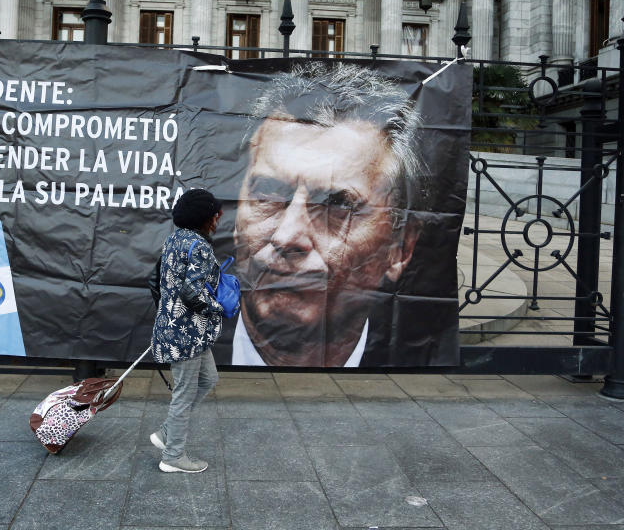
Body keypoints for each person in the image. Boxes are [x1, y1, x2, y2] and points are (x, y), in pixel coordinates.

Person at [231, 62, 423, 367]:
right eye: (268, 192)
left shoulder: (416, 363)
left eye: (338, 205)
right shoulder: (166, 341)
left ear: (400, 248)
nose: (286, 236)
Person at [150, 188, 225, 473]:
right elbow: (193, 292)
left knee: (208, 379)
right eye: (215, 214)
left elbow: (162, 281)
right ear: (206, 217)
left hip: (175, 329)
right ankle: (172, 457)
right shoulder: (200, 246)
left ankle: (167, 433)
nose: (218, 218)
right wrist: (219, 308)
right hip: (186, 334)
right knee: (184, 394)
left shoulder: (174, 239)